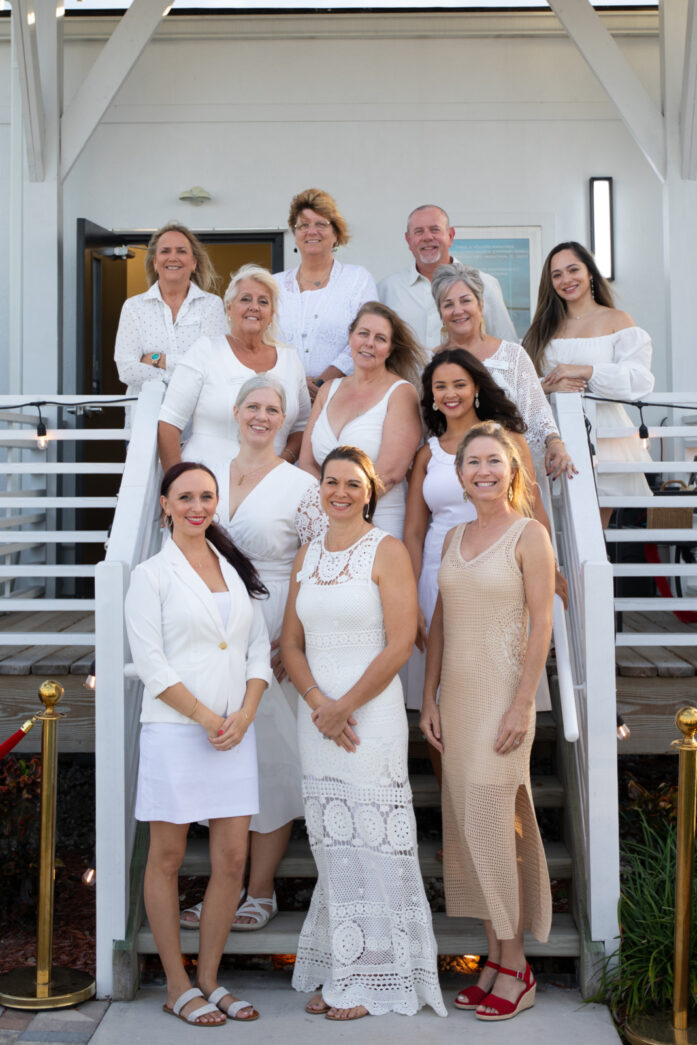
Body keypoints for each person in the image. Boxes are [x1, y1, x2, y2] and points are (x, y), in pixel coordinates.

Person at [281, 446, 446, 1021]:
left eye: (353, 483)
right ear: (320, 488)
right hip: (317, 715)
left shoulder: (388, 549)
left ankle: (379, 973)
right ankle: (342, 965)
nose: (341, 492)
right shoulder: (308, 551)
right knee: (332, 843)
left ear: (369, 491)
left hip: (368, 717)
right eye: (331, 482)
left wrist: (344, 705)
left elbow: (401, 642)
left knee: (373, 843)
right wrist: (318, 703)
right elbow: (291, 644)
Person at [124, 461, 271, 1026]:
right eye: (185, 496)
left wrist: (246, 712)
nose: (197, 506)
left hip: (235, 732)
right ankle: (176, 983)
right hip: (177, 732)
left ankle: (209, 978)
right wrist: (210, 717)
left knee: (232, 860)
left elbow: (257, 647)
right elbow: (153, 666)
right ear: (164, 504)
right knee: (166, 858)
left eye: (207, 496)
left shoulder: (232, 568)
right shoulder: (151, 575)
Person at [421, 422, 554, 1022]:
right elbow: (441, 624)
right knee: (468, 828)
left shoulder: (530, 535)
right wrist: (428, 699)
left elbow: (542, 625)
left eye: (494, 461)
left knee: (500, 826)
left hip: (504, 698)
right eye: (473, 461)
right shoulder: (451, 537)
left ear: (511, 470)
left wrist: (524, 701)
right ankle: (494, 960)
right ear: (460, 473)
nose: (483, 471)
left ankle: (518, 965)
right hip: (458, 699)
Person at [179, 376, 317, 933]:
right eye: (253, 406)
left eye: (273, 409)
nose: (262, 416)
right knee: (223, 752)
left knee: (274, 758)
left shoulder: (301, 484)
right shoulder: (208, 477)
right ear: (236, 412)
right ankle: (224, 887)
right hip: (217, 630)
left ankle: (260, 891)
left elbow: (312, 564)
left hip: (277, 618)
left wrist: (292, 637)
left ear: (284, 420)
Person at [403, 348, 563, 713]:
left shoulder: (508, 442)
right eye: (440, 387)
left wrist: (547, 568)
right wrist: (412, 595)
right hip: (438, 575)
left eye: (459, 384)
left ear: (476, 387)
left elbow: (533, 509)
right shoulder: (427, 454)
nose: (450, 393)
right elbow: (413, 531)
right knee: (441, 698)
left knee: (496, 684)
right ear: (431, 397)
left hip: (501, 573)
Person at [523, 240, 654, 527]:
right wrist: (548, 386)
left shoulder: (616, 320)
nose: (566, 280)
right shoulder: (542, 328)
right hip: (551, 434)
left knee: (593, 527)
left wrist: (584, 370)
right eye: (557, 275)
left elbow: (640, 379)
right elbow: (524, 384)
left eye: (573, 270)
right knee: (549, 528)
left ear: (590, 273)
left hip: (604, 436)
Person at [158, 265, 310, 478]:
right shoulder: (205, 351)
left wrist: (281, 464)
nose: (254, 307)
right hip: (205, 489)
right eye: (245, 299)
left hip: (270, 487)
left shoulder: (290, 360)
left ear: (271, 314)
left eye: (263, 302)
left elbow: (302, 425)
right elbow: (169, 423)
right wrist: (176, 483)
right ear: (229, 308)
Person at [432, 261, 575, 478]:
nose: (458, 310)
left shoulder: (513, 355)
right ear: (440, 313)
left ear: (481, 305)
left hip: (511, 472)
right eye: (448, 304)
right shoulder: (430, 362)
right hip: (450, 474)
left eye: (465, 300)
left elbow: (538, 413)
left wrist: (554, 442)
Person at [298, 302, 424, 539]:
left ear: (390, 349)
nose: (369, 343)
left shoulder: (401, 393)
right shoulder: (329, 390)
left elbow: (391, 472)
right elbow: (306, 462)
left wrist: (343, 507)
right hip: (325, 522)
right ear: (351, 337)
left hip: (377, 521)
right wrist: (330, 508)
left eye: (380, 338)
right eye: (363, 333)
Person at [275, 188, 378, 398]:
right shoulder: (274, 285)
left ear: (336, 234)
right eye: (303, 225)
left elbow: (369, 335)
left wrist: (323, 383)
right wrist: (296, 384)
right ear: (295, 235)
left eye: (321, 224)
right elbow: (262, 343)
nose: (311, 231)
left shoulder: (357, 279)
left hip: (343, 396)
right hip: (283, 397)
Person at [114, 222, 226, 405]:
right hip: (147, 416)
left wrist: (159, 360)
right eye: (165, 251)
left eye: (181, 251)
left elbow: (213, 365)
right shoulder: (133, 307)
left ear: (194, 263)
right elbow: (127, 370)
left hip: (196, 419)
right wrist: (184, 373)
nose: (173, 257)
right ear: (155, 263)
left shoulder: (211, 305)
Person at [378, 204, 516, 348]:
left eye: (435, 230)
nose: (427, 237)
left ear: (450, 236)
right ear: (408, 240)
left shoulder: (485, 284)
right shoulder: (388, 289)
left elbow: (507, 346)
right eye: (419, 232)